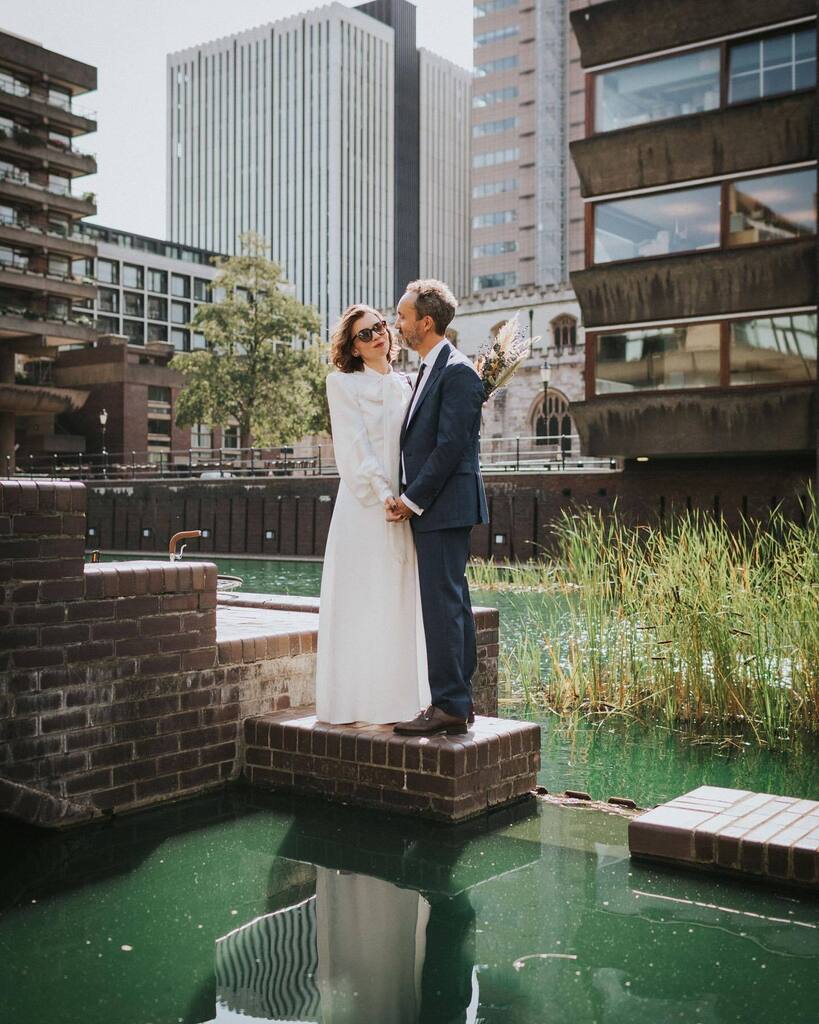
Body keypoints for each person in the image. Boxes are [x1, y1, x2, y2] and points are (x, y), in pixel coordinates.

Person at [315, 304, 430, 725]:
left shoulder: (408, 383)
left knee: (397, 599)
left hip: (404, 507)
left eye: (380, 327)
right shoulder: (342, 384)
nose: (378, 335)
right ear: (352, 348)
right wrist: (384, 495)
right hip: (365, 507)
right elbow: (353, 446)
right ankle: (354, 703)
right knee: (362, 598)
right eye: (365, 334)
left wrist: (410, 499)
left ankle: (399, 703)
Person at [388, 279, 489, 737]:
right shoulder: (433, 368)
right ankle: (459, 701)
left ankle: (448, 704)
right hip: (442, 507)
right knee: (453, 602)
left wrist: (412, 501)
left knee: (442, 606)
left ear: (425, 322)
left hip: (442, 508)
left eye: (403, 316)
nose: (398, 324)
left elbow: (449, 448)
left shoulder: (458, 372)